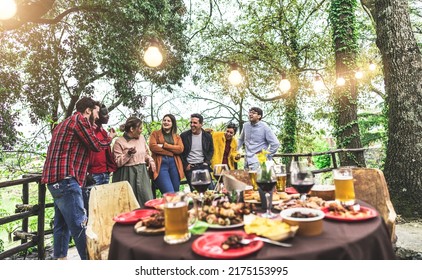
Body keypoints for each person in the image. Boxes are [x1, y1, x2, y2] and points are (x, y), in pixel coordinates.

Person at [41, 96, 116, 260]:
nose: (97, 117)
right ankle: (91, 263)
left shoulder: (64, 123)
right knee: (80, 224)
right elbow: (95, 145)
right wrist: (109, 138)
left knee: (61, 224)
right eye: (96, 113)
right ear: (88, 111)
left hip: (55, 180)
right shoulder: (80, 120)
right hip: (66, 180)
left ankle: (60, 259)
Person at [236, 107, 280, 208]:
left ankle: (262, 209)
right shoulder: (245, 126)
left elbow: (275, 143)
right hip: (247, 161)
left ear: (259, 116)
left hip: (258, 162)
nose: (251, 114)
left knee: (258, 188)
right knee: (248, 188)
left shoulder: (264, 127)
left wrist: (266, 155)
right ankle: (251, 209)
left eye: (254, 113)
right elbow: (240, 139)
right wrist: (235, 151)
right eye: (250, 112)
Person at [112, 116, 156, 207]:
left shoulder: (142, 138)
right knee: (129, 203)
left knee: (147, 199)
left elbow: (145, 154)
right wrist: (128, 154)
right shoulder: (119, 142)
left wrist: (150, 161)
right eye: (140, 128)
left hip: (142, 174)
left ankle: (148, 220)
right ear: (132, 129)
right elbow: (117, 162)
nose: (141, 130)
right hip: (127, 175)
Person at [83, 104, 117, 212]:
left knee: (103, 207)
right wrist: (87, 173)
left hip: (104, 173)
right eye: (104, 113)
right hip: (93, 174)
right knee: (92, 207)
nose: (107, 116)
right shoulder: (89, 131)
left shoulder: (103, 131)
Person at [149, 114, 185, 194]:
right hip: (161, 165)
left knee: (176, 193)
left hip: (175, 165)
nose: (166, 122)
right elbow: (153, 147)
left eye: (168, 121)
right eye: (164, 120)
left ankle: (173, 207)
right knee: (169, 193)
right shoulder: (155, 134)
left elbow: (180, 149)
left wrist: (164, 145)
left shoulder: (177, 137)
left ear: (172, 123)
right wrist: (171, 152)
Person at [180, 113, 214, 191]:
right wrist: (185, 165)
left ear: (201, 124)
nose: (192, 125)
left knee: (211, 189)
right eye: (191, 122)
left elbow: (211, 150)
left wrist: (207, 162)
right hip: (190, 167)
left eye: (195, 123)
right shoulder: (184, 136)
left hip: (203, 166)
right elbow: (180, 152)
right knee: (195, 191)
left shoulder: (207, 136)